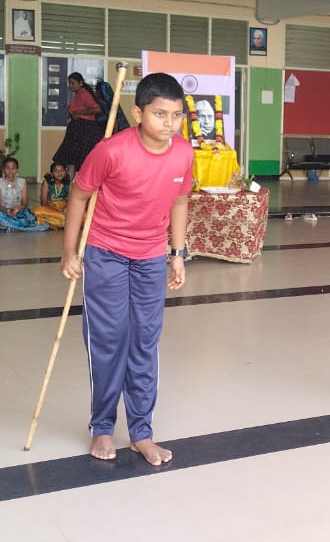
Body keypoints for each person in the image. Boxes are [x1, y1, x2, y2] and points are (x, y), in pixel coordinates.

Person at [60, 72, 194, 466]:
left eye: (176, 115)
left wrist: (177, 253)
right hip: (106, 253)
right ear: (138, 113)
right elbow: (78, 197)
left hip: (151, 256)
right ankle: (102, 426)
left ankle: (141, 431)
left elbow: (180, 201)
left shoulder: (183, 153)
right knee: (109, 339)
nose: (169, 123)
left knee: (145, 341)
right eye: (160, 114)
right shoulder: (111, 151)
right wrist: (70, 251)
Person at [51, 72, 104, 173]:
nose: (70, 86)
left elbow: (97, 109)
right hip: (77, 130)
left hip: (83, 130)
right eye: (69, 83)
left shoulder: (84, 95)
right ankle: (67, 181)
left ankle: (72, 180)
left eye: (73, 83)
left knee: (74, 159)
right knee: (71, 159)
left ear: (81, 83)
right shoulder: (78, 95)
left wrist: (79, 113)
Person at [0, 157, 49, 232]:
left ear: (17, 170)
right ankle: (15, 226)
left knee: (30, 217)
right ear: (3, 170)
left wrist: (19, 208)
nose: (10, 170)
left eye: (13, 168)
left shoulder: (22, 182)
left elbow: (25, 203)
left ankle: (13, 226)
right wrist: (7, 210)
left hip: (18, 211)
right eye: (7, 168)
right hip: (2, 211)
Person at [33, 162, 71, 229]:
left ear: (65, 172)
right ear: (51, 173)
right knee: (37, 211)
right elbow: (43, 203)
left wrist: (66, 209)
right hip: (50, 208)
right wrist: (57, 211)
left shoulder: (69, 184)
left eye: (62, 170)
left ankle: (58, 221)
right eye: (56, 171)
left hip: (64, 208)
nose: (59, 173)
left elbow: (70, 201)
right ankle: (65, 221)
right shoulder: (47, 183)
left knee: (83, 214)